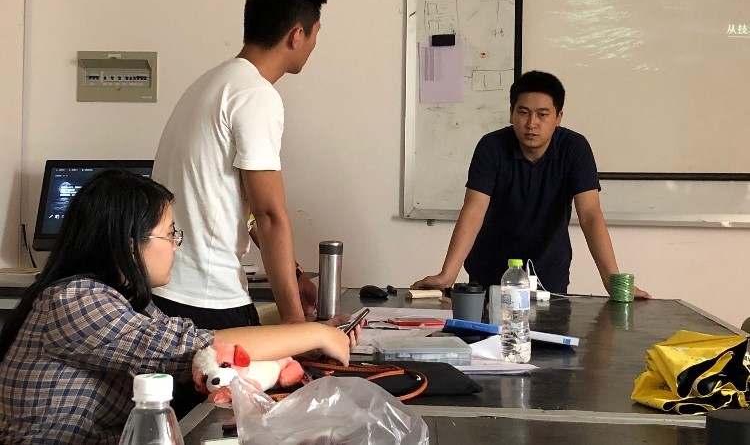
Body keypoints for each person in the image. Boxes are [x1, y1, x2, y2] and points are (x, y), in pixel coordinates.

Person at [0, 170, 355, 444]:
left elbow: (208, 356)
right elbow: (200, 347)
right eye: (170, 233)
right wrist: (316, 333)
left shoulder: (128, 300)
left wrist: (304, 345)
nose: (176, 245)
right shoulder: (75, 299)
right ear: (129, 243)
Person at [151, 0, 327, 329]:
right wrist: (295, 323)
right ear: (297, 35)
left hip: (168, 292)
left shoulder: (211, 84)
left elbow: (240, 209)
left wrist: (294, 277)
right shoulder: (255, 95)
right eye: (315, 34)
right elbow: (269, 214)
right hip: (208, 301)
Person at [412, 70, 649, 298]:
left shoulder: (575, 149)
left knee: (550, 326)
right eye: (523, 112)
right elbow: (474, 209)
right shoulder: (491, 147)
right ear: (511, 113)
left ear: (558, 117)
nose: (531, 123)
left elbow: (590, 215)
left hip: (549, 274)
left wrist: (612, 281)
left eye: (542, 114)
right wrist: (447, 275)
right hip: (490, 273)